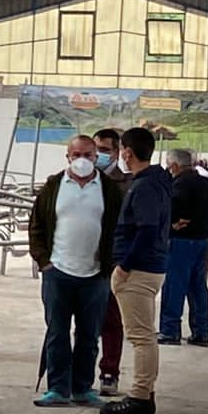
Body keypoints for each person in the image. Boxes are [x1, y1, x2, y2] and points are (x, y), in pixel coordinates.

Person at [27, 133, 119, 407]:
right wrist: (44, 262)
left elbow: (118, 227)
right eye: (76, 155)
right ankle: (57, 388)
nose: (82, 160)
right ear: (68, 157)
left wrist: (109, 265)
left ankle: (82, 388)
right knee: (57, 332)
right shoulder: (54, 186)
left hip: (94, 275)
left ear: (97, 157)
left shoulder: (109, 189)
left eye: (88, 155)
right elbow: (36, 226)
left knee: (89, 334)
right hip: (58, 273)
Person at [101, 126, 170, 414]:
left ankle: (140, 397)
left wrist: (124, 266)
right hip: (150, 266)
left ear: (127, 152)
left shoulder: (143, 187)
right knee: (145, 336)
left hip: (138, 270)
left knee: (141, 337)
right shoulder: (158, 181)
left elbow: (146, 228)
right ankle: (146, 391)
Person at [158, 148, 208, 347]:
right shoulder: (207, 183)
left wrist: (171, 223)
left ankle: (170, 331)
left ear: (174, 166)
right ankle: (202, 331)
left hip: (181, 241)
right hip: (203, 241)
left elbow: (170, 208)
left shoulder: (179, 184)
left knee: (174, 287)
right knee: (198, 287)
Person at [93, 126, 130, 394]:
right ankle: (78, 373)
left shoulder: (126, 184)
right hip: (77, 261)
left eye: (105, 151)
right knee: (81, 321)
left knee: (111, 320)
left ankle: (109, 371)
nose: (98, 156)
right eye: (97, 150)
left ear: (117, 152)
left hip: (111, 262)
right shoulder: (72, 180)